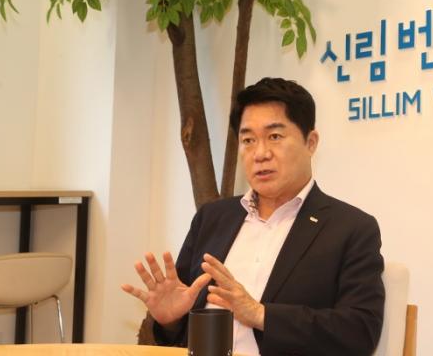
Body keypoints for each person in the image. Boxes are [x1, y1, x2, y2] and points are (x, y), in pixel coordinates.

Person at [122, 77, 385, 356]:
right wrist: (171, 321)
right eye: (248, 140)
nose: (260, 153)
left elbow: (360, 332)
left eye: (275, 137)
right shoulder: (212, 218)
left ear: (311, 142)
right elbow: (180, 325)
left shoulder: (351, 229)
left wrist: (260, 314)